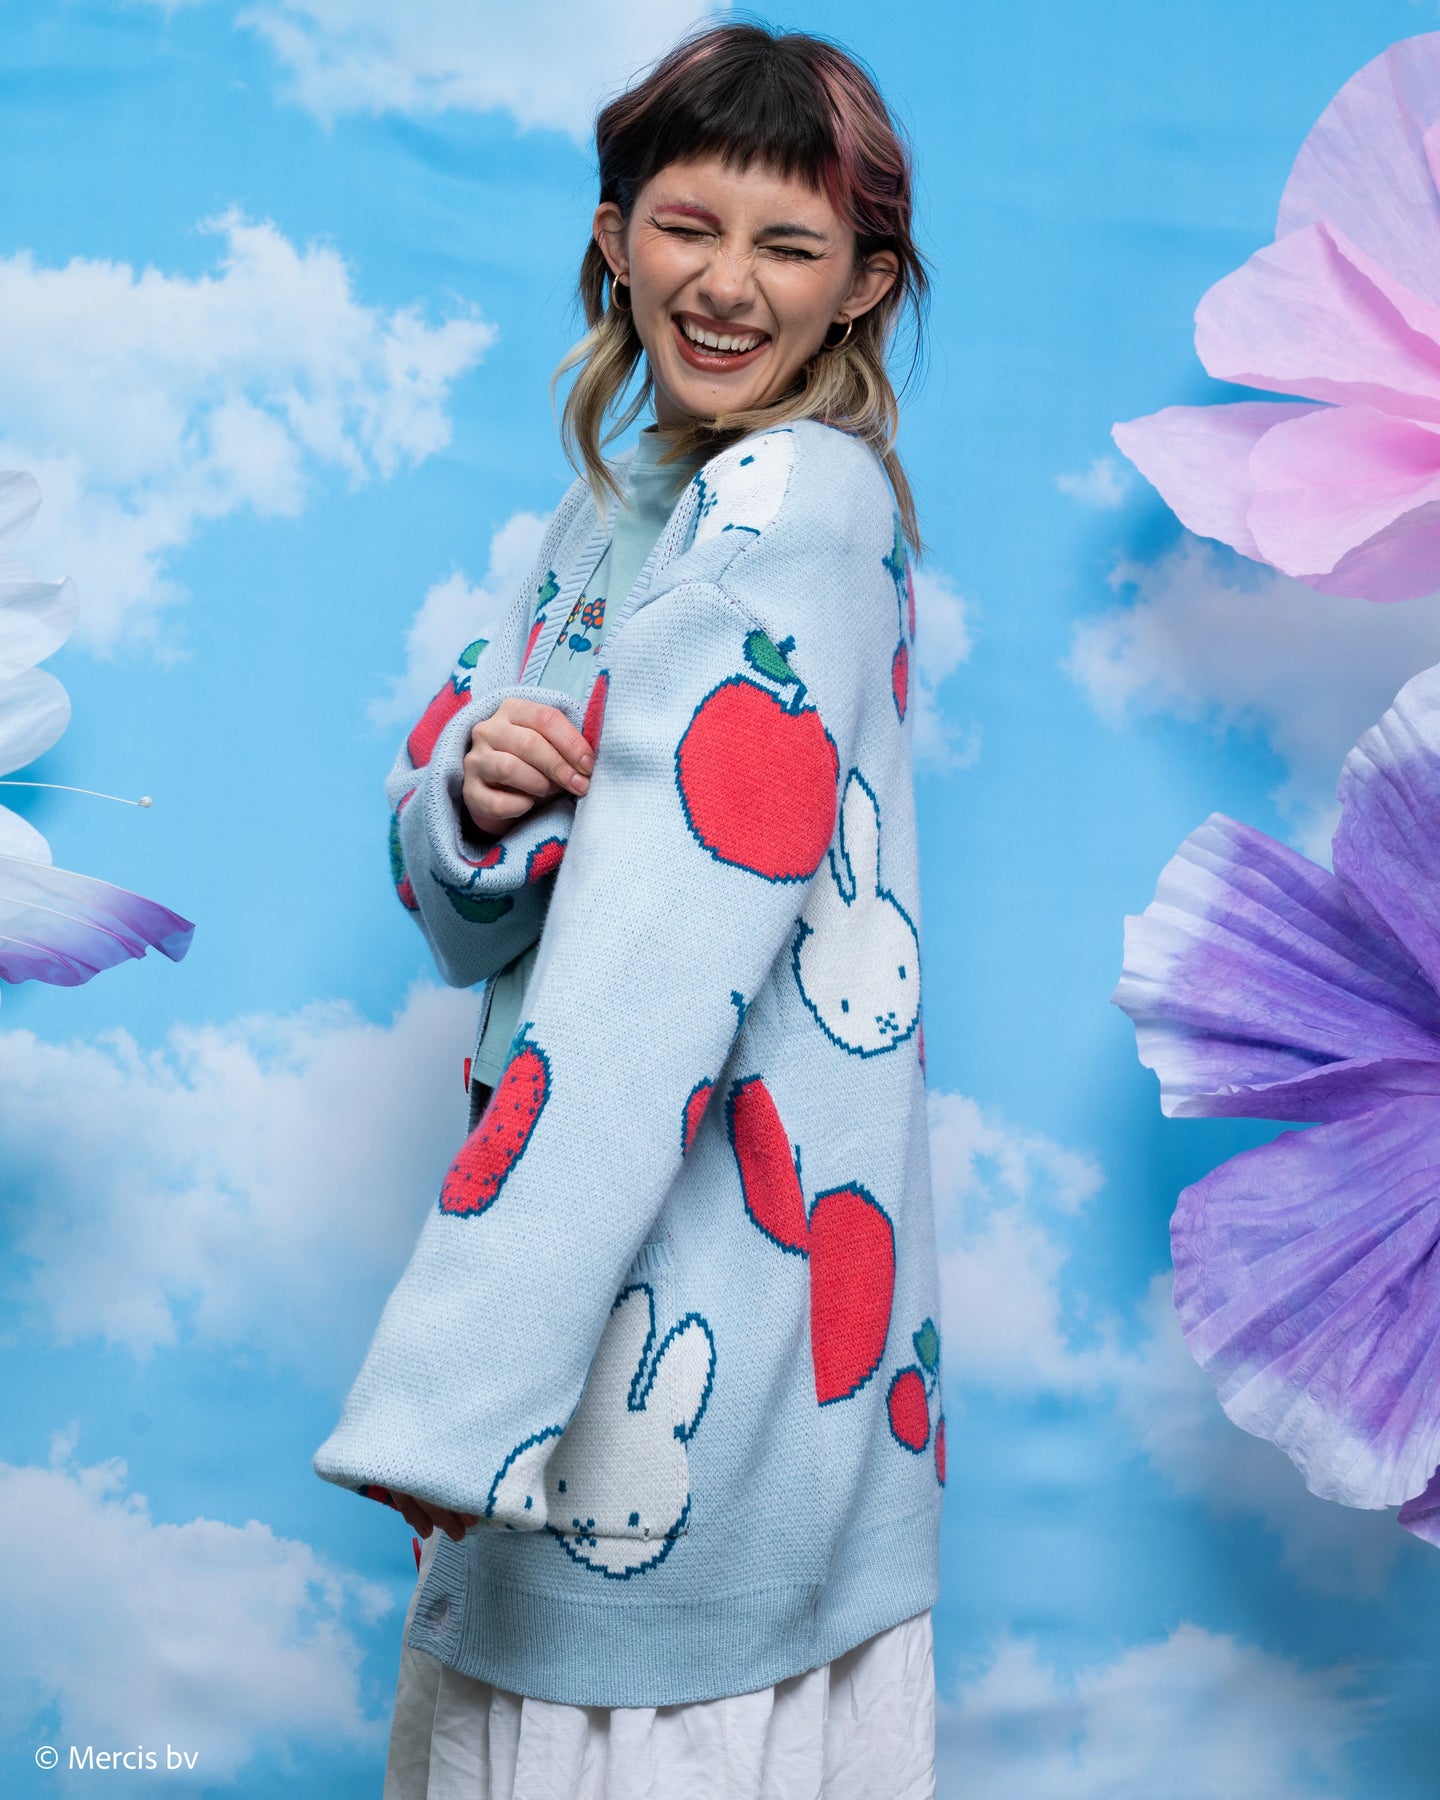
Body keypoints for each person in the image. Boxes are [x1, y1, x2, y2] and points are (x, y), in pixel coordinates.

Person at [313, 22, 942, 1798]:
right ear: (613, 235)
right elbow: (462, 916)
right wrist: (477, 801)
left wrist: (453, 1395)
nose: (726, 285)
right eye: (686, 226)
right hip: (569, 1289)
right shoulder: (599, 515)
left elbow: (658, 968)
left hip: (703, 1300)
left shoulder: (791, 500)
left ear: (862, 284)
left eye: (788, 245)